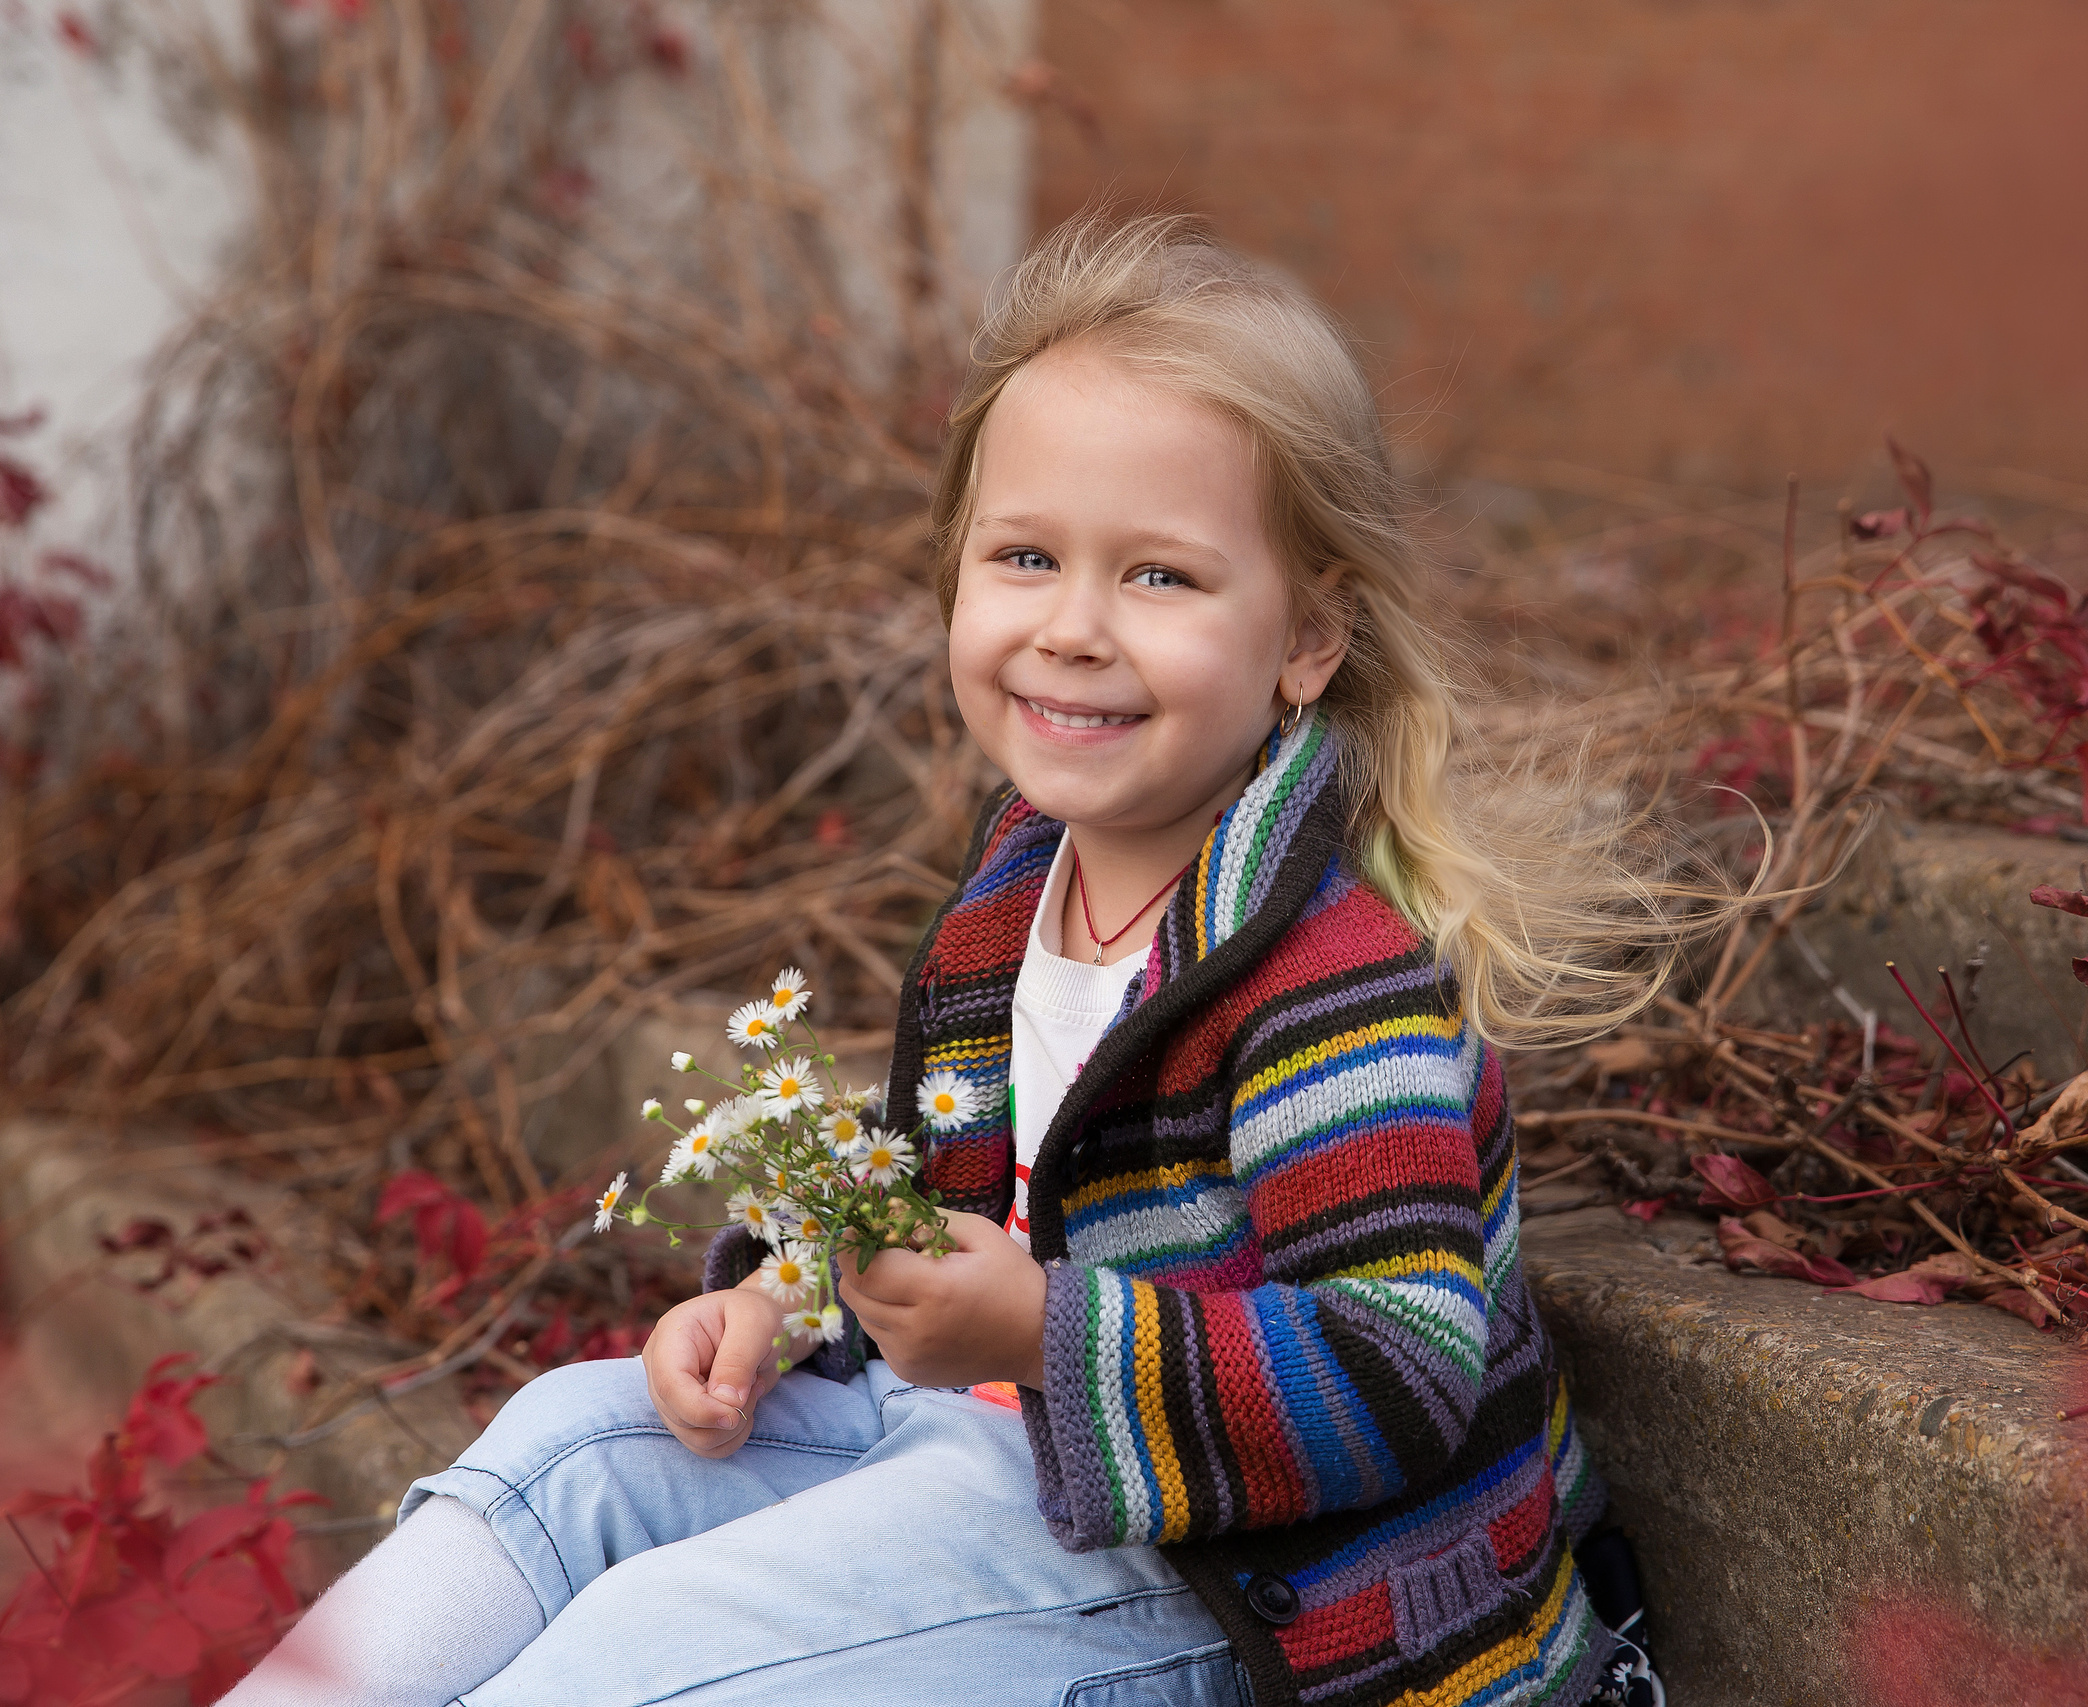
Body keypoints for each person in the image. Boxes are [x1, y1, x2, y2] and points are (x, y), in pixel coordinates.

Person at [226, 213, 1692, 1707]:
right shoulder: (1017, 890)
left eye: (1161, 578)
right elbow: (936, 1195)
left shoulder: (1325, 980)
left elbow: (1402, 1375)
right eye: (1027, 556)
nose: (1071, 628)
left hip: (1237, 1584)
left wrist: (1040, 1329)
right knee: (569, 1454)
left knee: (647, 1651)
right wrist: (784, 1300)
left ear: (1308, 640)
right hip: (976, 1445)